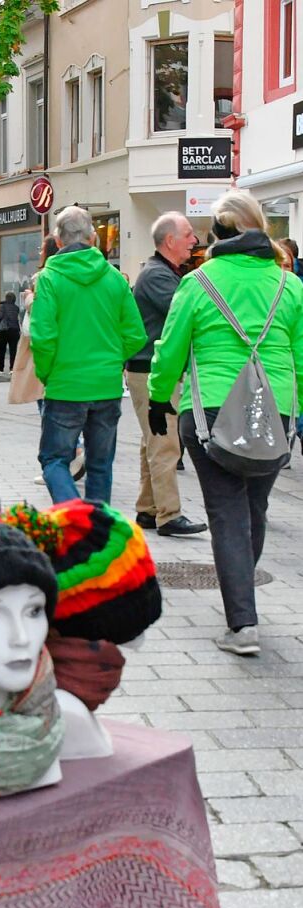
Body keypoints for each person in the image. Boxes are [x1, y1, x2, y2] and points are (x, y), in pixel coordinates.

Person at [149, 190, 303, 656]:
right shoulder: (289, 285)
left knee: (226, 512)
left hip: (212, 409)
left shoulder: (198, 283)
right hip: (274, 407)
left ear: (219, 234)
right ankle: (243, 603)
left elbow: (172, 347)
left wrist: (159, 398)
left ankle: (242, 622)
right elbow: (300, 358)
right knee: (254, 508)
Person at [30, 205, 147, 504]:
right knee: (100, 465)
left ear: (58, 241)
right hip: (106, 386)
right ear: (93, 238)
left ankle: (74, 520)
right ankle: (96, 533)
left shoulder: (49, 279)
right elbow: (135, 334)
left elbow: (43, 337)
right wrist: (111, 359)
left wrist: (48, 373)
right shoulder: (114, 279)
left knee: (55, 460)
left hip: (65, 385)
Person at [128, 212, 206, 537]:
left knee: (153, 442)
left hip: (147, 369)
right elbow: (185, 316)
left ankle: (147, 510)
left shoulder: (163, 272)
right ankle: (169, 515)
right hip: (150, 371)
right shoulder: (158, 276)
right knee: (165, 443)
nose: (195, 240)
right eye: (188, 234)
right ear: (170, 241)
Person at [0, 291, 20, 374]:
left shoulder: (2, 306)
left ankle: (1, 368)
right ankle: (12, 368)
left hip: (3, 331)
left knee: (2, 350)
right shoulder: (16, 308)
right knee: (13, 350)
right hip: (14, 331)